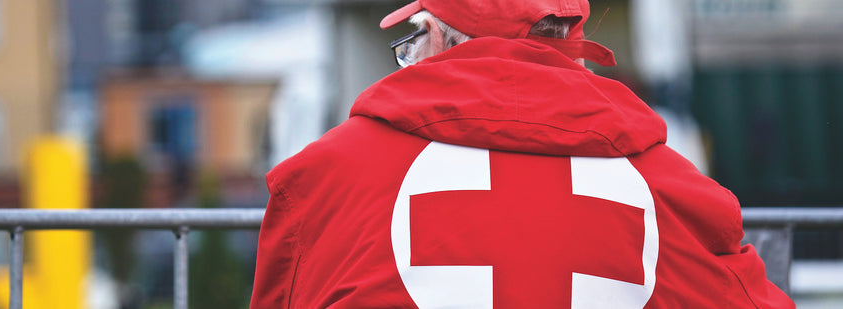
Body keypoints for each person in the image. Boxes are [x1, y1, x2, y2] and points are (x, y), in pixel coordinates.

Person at [251, 0, 795, 308]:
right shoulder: (669, 190)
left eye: (416, 38)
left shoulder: (325, 179)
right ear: (572, 44)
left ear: (437, 38)